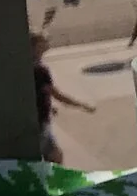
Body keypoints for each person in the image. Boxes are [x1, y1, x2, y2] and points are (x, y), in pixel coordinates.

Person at [30, 32, 92, 164]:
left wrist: (50, 107)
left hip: (36, 118)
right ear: (35, 47)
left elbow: (37, 93)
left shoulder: (27, 66)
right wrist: (81, 105)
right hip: (40, 122)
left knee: (50, 155)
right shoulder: (40, 71)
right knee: (54, 156)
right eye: (42, 42)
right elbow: (57, 95)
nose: (46, 44)